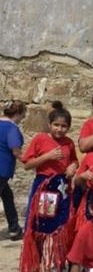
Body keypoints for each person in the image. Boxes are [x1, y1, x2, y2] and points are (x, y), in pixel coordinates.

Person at [19, 104, 79, 272]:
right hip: (44, 188)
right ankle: (37, 262)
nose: (60, 129)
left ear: (68, 127)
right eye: (56, 125)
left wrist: (73, 167)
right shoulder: (40, 139)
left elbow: (74, 160)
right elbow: (27, 164)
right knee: (40, 226)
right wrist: (48, 156)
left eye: (64, 126)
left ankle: (54, 262)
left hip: (62, 189)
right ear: (50, 124)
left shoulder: (69, 143)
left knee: (60, 225)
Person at [0, 100, 26, 241]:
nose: (23, 118)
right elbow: (15, 150)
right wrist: (29, 162)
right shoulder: (12, 128)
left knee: (7, 196)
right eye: (23, 115)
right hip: (1, 170)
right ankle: (14, 228)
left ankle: (14, 228)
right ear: (18, 114)